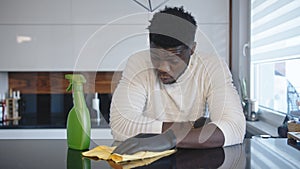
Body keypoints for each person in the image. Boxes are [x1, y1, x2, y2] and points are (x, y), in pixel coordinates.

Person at [110, 6, 246, 153]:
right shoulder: (138, 62)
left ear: (192, 49)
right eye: (155, 57)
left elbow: (234, 127)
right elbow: (121, 124)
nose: (163, 68)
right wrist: (193, 127)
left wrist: (171, 138)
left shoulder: (212, 66)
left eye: (174, 60)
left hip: (194, 159)